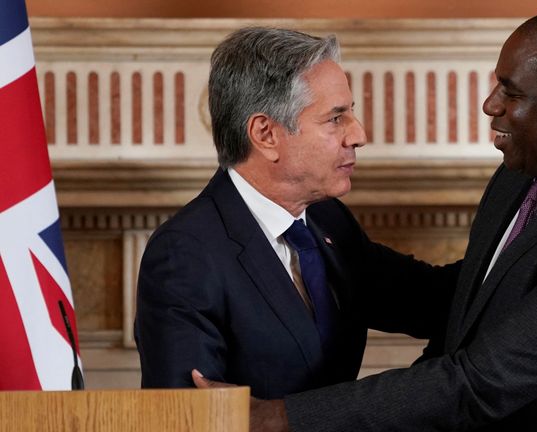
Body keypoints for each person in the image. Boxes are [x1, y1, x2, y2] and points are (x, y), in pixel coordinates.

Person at [195, 7, 537, 431]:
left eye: (511, 92)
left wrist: (273, 418)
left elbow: (479, 382)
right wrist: (305, 251)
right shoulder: (527, 172)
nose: (489, 105)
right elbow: (468, 299)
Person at [136, 27, 459, 399]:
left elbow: (432, 299)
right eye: (336, 118)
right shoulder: (185, 254)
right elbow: (188, 417)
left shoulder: (328, 220)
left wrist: (529, 227)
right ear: (266, 134)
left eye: (350, 113)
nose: (358, 134)